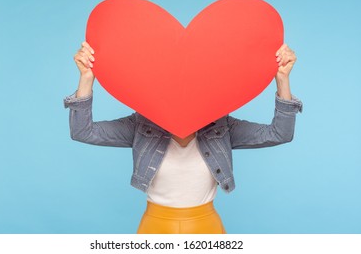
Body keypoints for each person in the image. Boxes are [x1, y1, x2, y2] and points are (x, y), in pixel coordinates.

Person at [64, 41, 303, 234]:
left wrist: (282, 80)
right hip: (155, 228)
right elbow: (83, 131)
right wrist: (86, 78)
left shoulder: (222, 125)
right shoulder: (140, 124)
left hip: (206, 228)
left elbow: (279, 133)